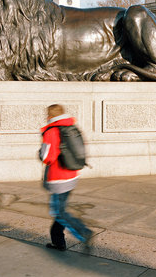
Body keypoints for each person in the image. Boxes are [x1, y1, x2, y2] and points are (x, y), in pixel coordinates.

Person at [39, 104, 93, 251]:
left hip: (58, 178)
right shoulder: (72, 127)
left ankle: (84, 233)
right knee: (59, 210)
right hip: (71, 176)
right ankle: (58, 242)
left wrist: (40, 152)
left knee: (58, 212)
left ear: (50, 116)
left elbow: (47, 157)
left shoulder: (52, 131)